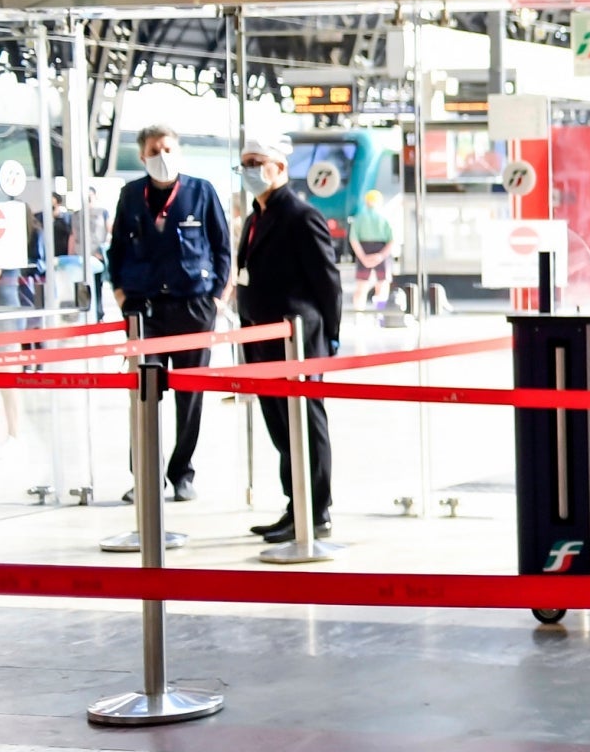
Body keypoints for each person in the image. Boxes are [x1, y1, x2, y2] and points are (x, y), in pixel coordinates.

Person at [106, 126, 231, 502]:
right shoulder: (130, 196)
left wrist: (217, 297)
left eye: (168, 148)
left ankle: (182, 473)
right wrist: (120, 292)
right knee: (144, 393)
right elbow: (116, 250)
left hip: (193, 306)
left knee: (190, 394)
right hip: (145, 309)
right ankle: (145, 475)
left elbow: (222, 246)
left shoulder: (201, 191)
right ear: (142, 157)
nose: (162, 155)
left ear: (180, 151)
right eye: (154, 150)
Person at [234, 134, 341, 542]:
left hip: (296, 337)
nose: (249, 170)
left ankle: (317, 511)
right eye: (244, 162)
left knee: (305, 424)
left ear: (279, 167)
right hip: (262, 339)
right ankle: (295, 505)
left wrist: (330, 334)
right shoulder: (255, 216)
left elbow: (327, 281)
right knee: (281, 427)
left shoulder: (300, 215)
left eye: (257, 162)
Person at [347, 189, 395, 311]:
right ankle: (380, 313)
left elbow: (353, 239)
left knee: (361, 286)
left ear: (366, 202)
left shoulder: (359, 218)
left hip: (363, 250)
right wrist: (381, 256)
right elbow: (392, 240)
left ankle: (358, 314)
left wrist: (363, 257)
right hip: (381, 251)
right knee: (382, 285)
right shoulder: (385, 217)